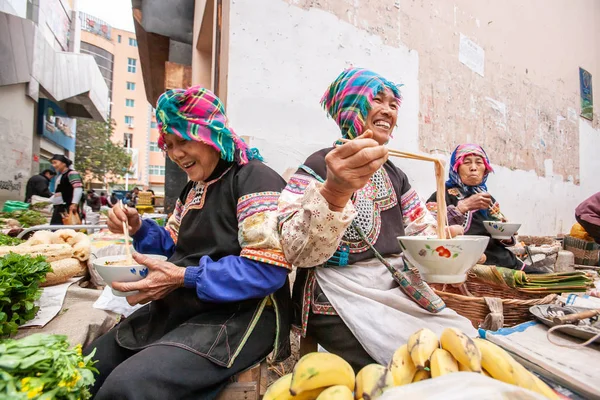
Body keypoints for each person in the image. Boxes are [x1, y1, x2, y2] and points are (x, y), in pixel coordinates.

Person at [84, 86, 292, 399]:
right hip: (186, 308)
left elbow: (266, 271)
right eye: (168, 145)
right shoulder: (193, 189)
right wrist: (139, 227)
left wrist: (185, 276)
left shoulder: (255, 179)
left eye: (182, 140)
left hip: (242, 317)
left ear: (210, 133)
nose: (176, 153)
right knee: (88, 366)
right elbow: (173, 249)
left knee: (129, 387)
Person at [277, 68, 476, 371]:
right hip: (338, 292)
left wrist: (444, 245)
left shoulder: (395, 174)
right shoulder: (319, 164)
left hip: (397, 288)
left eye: (393, 104)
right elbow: (293, 248)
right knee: (411, 367)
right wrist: (334, 192)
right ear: (350, 107)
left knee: (463, 342)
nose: (387, 110)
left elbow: (421, 228)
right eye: (376, 100)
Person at [426, 144, 522, 270]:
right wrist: (461, 208)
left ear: (485, 169)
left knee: (540, 278)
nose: (473, 168)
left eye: (479, 163)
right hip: (466, 262)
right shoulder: (441, 195)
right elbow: (428, 230)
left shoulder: (488, 199)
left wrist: (506, 233)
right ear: (456, 168)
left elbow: (503, 235)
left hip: (501, 260)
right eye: (466, 162)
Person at [49, 155, 83, 225]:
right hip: (60, 208)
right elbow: (59, 191)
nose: (54, 165)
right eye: (52, 163)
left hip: (68, 208)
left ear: (64, 163)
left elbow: (78, 188)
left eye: (55, 162)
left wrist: (74, 204)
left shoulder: (72, 173)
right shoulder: (61, 176)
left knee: (68, 230)